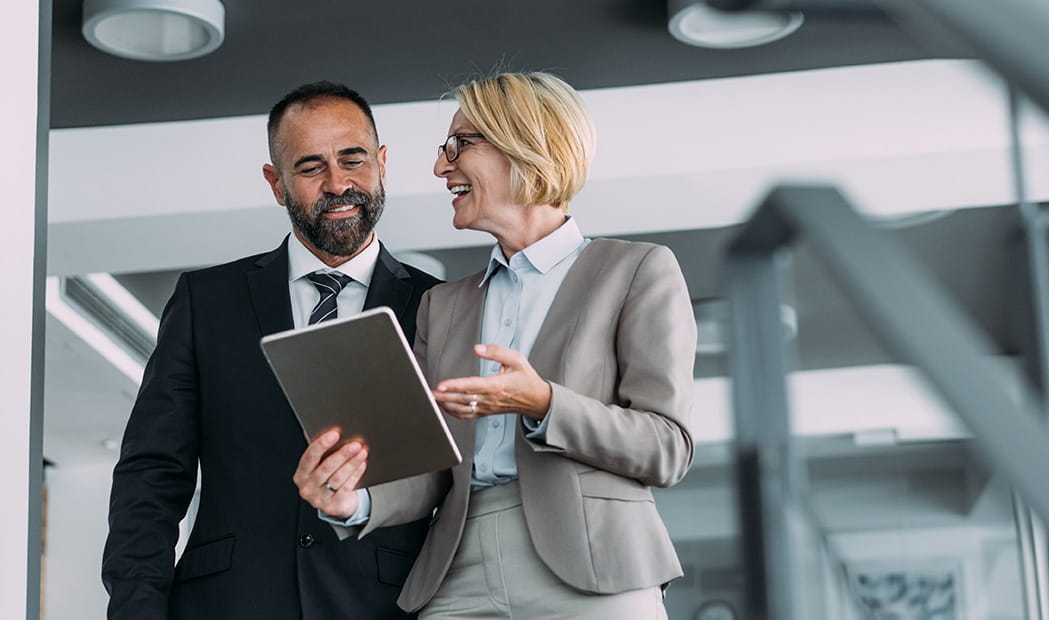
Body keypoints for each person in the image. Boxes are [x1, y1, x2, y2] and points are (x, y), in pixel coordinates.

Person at [294, 71, 696, 619]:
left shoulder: (635, 271)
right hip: (459, 571)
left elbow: (667, 447)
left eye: (460, 146)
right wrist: (357, 501)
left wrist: (542, 402)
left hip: (596, 567)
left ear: (524, 145)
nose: (442, 167)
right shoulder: (445, 305)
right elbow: (435, 466)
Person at [102, 81, 443, 620]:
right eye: (310, 168)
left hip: (385, 606)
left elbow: (454, 481)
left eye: (352, 160)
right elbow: (151, 475)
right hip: (225, 604)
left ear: (381, 163)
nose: (337, 183)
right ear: (276, 184)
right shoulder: (206, 302)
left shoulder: (439, 307)